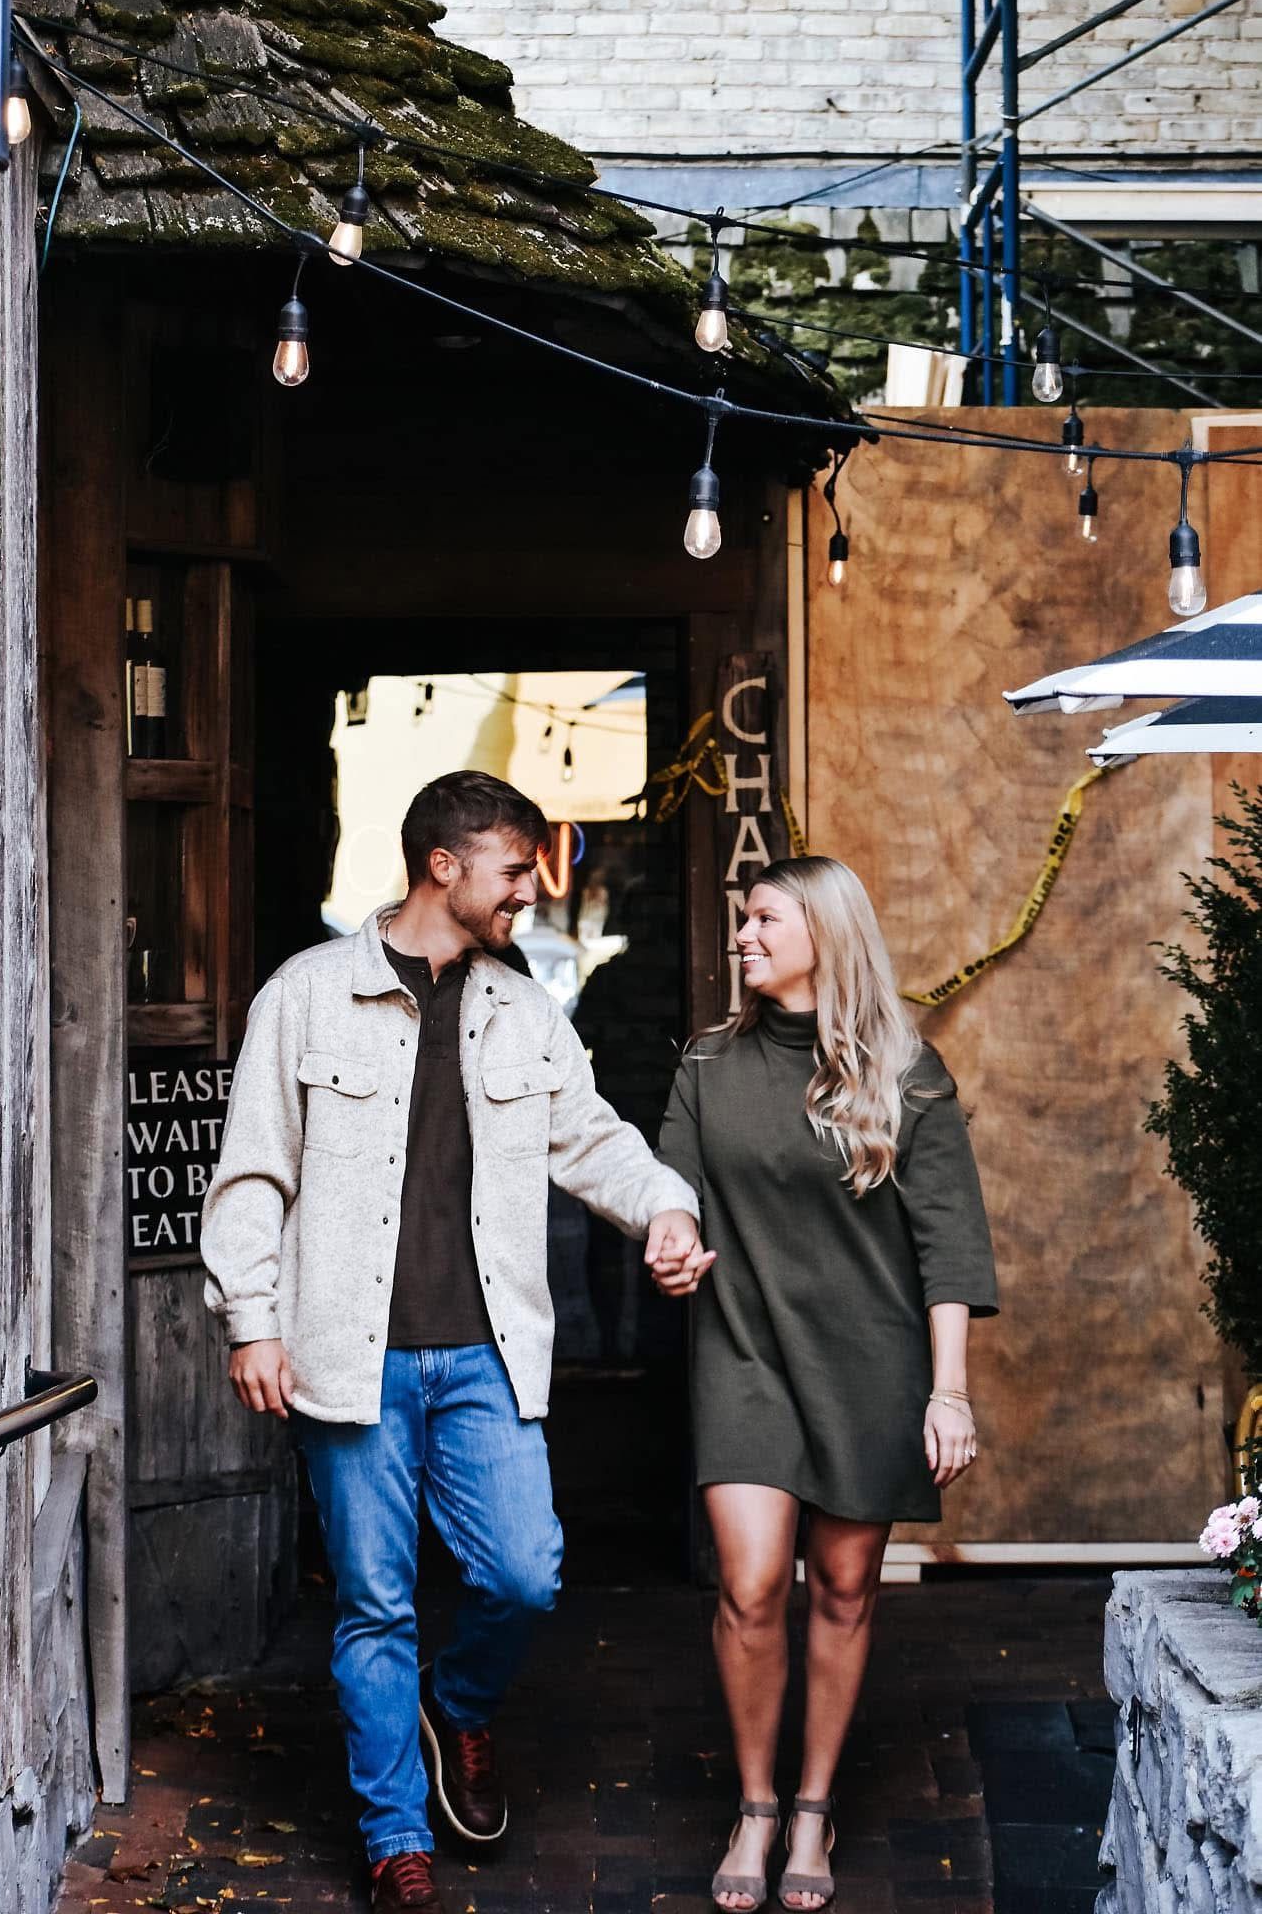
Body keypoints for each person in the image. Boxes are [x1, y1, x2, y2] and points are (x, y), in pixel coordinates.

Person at [200, 770, 709, 1914]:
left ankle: (459, 1704)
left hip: (486, 1353)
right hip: (349, 1353)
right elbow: (252, 1171)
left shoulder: (523, 1006)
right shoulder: (310, 993)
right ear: (446, 865)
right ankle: (394, 1838)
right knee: (374, 1601)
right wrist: (253, 1318)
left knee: (525, 1572)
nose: (529, 890)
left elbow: (592, 1137)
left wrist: (666, 1206)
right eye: (515, 870)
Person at [654, 856, 998, 1911]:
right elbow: (672, 1182)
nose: (743, 934)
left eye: (764, 918)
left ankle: (814, 1803)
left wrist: (948, 1392)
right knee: (752, 1583)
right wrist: (669, 1234)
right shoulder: (707, 1063)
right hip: (746, 1353)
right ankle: (756, 1803)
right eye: (741, 918)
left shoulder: (906, 1072)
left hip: (870, 1365)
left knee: (844, 1590)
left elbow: (949, 1245)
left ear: (824, 932)